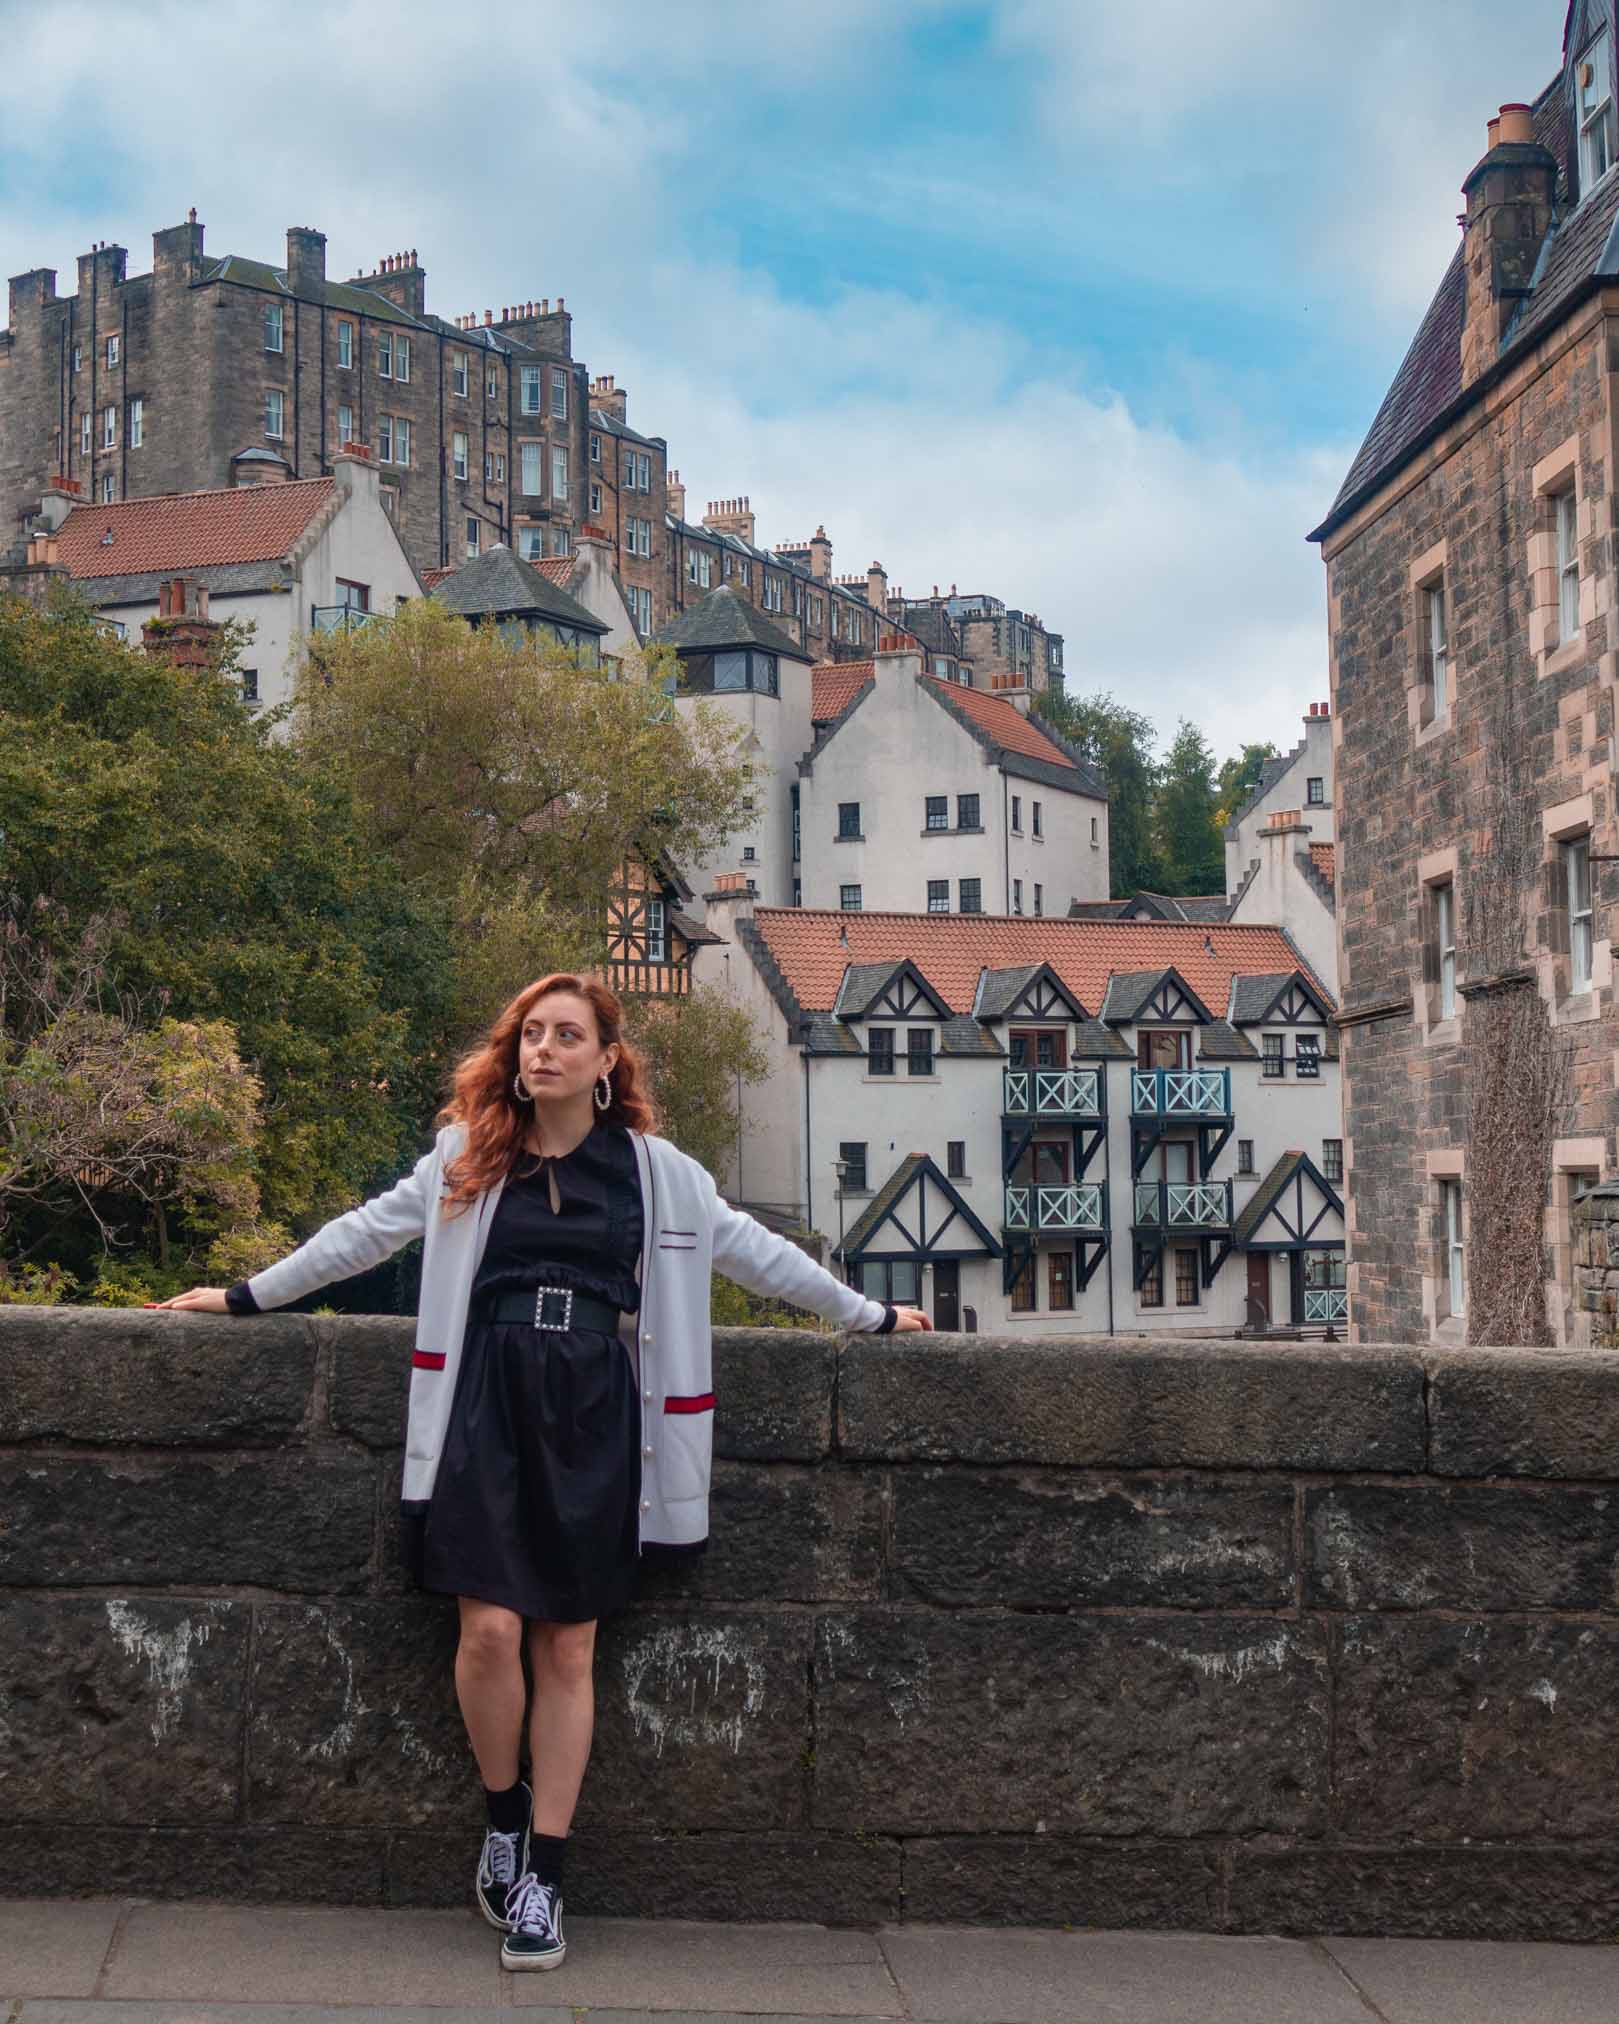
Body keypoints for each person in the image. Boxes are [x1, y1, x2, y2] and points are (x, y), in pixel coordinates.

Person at [152, 971, 930, 1972]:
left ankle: (544, 1877)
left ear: (607, 1060)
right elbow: (364, 1232)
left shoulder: (656, 1173)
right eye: (530, 1033)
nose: (542, 1049)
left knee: (566, 1647)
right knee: (486, 1631)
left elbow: (758, 1255)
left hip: (600, 1410)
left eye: (567, 1034)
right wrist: (243, 1295)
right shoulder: (467, 1158)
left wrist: (867, 1314)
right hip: (489, 1399)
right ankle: (503, 1814)